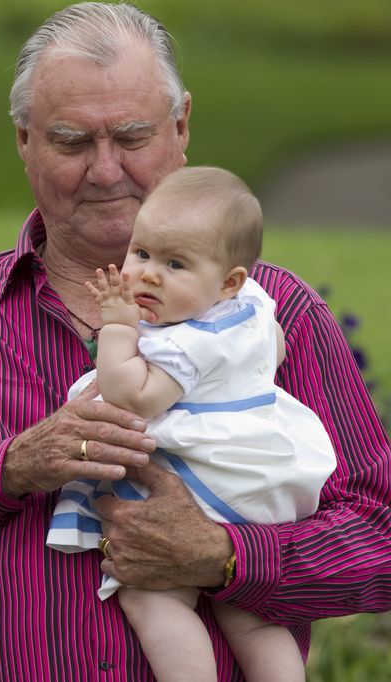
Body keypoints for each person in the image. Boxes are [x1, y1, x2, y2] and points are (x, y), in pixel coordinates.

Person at [0, 3, 391, 680]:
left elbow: (379, 535)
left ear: (181, 130)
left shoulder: (275, 313)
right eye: (71, 141)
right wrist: (6, 470)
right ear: (25, 141)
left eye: (132, 137)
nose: (107, 170)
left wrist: (225, 557)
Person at [46, 166, 336, 682]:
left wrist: (117, 328)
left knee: (152, 598)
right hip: (258, 490)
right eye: (142, 254)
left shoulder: (186, 342)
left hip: (205, 487)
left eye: (176, 264)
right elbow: (274, 346)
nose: (150, 275)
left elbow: (134, 396)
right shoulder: (251, 308)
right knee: (253, 620)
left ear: (228, 281)